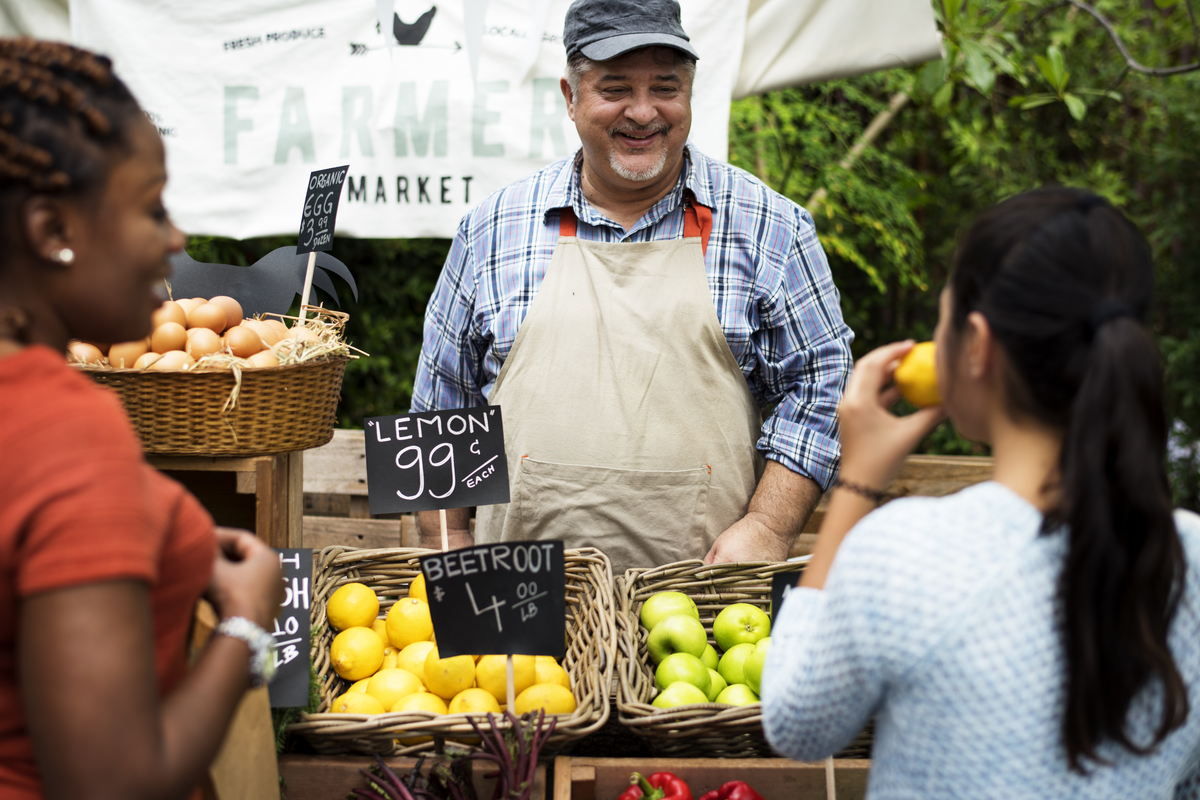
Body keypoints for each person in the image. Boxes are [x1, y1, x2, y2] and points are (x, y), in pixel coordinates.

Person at [761, 188, 1200, 795]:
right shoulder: (1190, 557)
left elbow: (796, 726)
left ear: (978, 345)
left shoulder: (908, 551)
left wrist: (858, 485)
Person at [411, 0, 853, 573]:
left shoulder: (769, 226)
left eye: (665, 88)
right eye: (615, 88)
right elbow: (441, 411)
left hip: (704, 607)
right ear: (570, 98)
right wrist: (448, 552)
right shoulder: (492, 229)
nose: (643, 112)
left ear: (690, 93)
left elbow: (825, 383)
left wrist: (769, 525)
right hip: (516, 613)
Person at [0, 39, 283, 799]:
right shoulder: (67, 431)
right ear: (52, 231)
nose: (175, 239)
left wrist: (153, 530)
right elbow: (114, 782)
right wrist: (247, 624)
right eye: (150, 205)